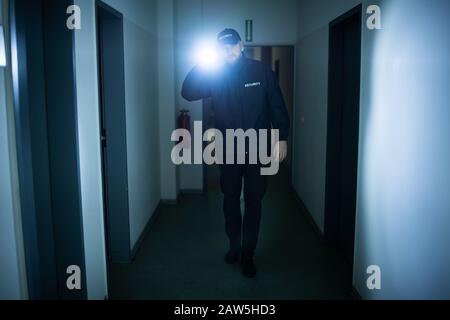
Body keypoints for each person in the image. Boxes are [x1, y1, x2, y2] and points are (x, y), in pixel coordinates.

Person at [181, 28, 290, 278]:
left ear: (241, 45)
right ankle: (234, 245)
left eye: (232, 45)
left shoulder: (261, 71)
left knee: (254, 202)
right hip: (228, 149)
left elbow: (276, 105)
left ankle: (248, 254)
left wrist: (282, 137)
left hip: (258, 149)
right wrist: (202, 63)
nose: (227, 49)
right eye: (222, 46)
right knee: (230, 199)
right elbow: (188, 92)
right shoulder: (214, 74)